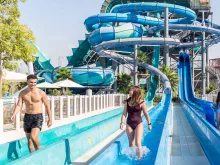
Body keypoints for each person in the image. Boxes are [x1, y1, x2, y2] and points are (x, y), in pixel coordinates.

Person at [11, 74, 52, 152]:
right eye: (31, 82)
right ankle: (32, 157)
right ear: (27, 82)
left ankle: (39, 151)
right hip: (27, 117)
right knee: (29, 140)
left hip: (38, 117)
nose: (33, 84)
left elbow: (47, 106)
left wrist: (50, 119)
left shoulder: (41, 93)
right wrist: (14, 114)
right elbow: (19, 105)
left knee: (33, 137)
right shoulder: (23, 93)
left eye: (34, 82)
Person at [120, 86, 152, 158]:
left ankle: (139, 159)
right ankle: (132, 159)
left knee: (138, 143)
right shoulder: (127, 102)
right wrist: (122, 122)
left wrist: (149, 123)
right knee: (131, 144)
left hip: (138, 124)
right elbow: (124, 113)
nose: (129, 92)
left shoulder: (141, 102)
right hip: (129, 124)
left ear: (135, 92)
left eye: (131, 90)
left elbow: (146, 114)